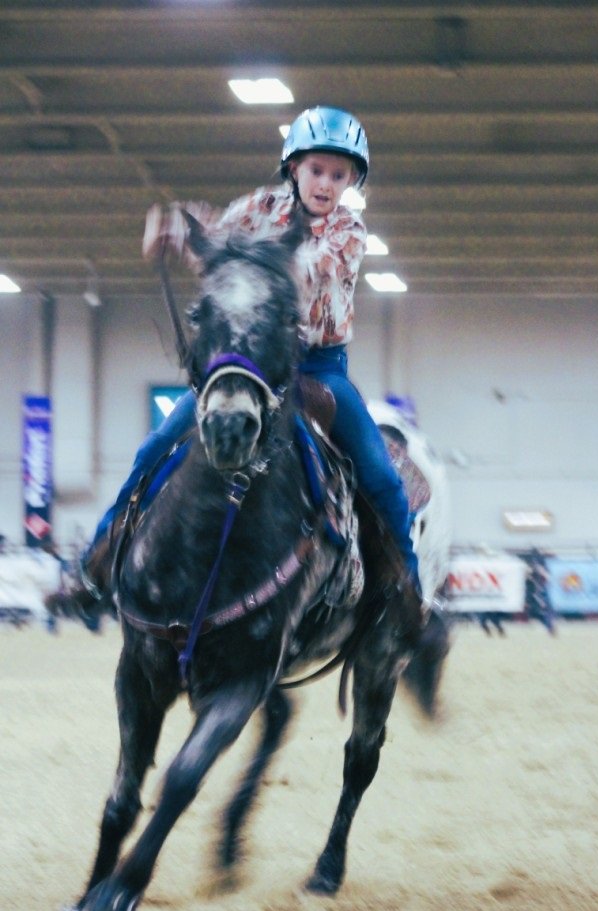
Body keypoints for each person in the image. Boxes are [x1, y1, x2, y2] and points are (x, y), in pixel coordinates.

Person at [55, 106, 421, 621]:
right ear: (293, 167)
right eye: (317, 169)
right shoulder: (255, 208)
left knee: (382, 476)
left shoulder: (349, 232)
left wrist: (244, 259)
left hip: (320, 371)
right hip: (250, 361)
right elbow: (211, 237)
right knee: (157, 447)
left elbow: (307, 268)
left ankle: (409, 594)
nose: (326, 183)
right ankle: (95, 568)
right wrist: (172, 230)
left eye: (339, 175)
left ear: (351, 182)